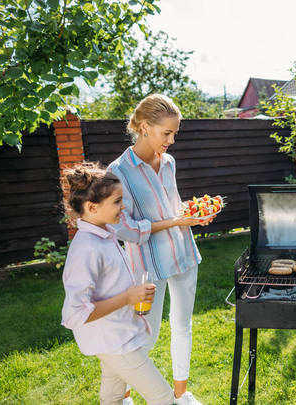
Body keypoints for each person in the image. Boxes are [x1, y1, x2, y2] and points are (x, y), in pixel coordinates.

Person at [108, 94, 211, 405]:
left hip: (183, 253)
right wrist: (173, 220)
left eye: (174, 133)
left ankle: (181, 395)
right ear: (144, 127)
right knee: (144, 334)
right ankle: (123, 395)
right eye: (167, 133)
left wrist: (192, 214)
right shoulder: (119, 171)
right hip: (146, 266)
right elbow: (123, 227)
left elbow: (170, 206)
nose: (172, 140)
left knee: (183, 325)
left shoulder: (169, 163)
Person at [61, 162, 174, 405]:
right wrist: (128, 297)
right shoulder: (87, 249)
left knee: (112, 396)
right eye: (117, 201)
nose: (123, 207)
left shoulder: (105, 233)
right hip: (115, 342)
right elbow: (75, 315)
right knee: (163, 397)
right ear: (92, 207)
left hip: (118, 333)